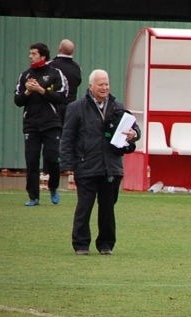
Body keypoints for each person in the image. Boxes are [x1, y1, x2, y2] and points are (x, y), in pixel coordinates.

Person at [60, 69, 140, 256]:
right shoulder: (76, 108)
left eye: (106, 84)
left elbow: (134, 127)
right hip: (86, 165)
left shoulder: (117, 106)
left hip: (111, 167)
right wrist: (66, 165)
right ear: (91, 87)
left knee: (107, 208)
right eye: (100, 84)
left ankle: (106, 244)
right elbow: (67, 137)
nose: (104, 88)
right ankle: (81, 244)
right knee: (84, 206)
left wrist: (133, 134)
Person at [13, 42, 67, 206]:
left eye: (34, 53)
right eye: (30, 53)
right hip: (31, 124)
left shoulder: (55, 73)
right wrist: (28, 91)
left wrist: (42, 90)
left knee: (52, 159)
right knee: (32, 161)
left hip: (51, 123)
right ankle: (33, 197)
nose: (30, 56)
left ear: (43, 56)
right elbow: (18, 100)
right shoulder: (25, 75)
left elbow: (62, 97)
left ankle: (53, 187)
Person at [48, 39, 82, 122]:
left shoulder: (50, 66)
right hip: (71, 110)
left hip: (53, 110)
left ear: (60, 49)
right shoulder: (76, 68)